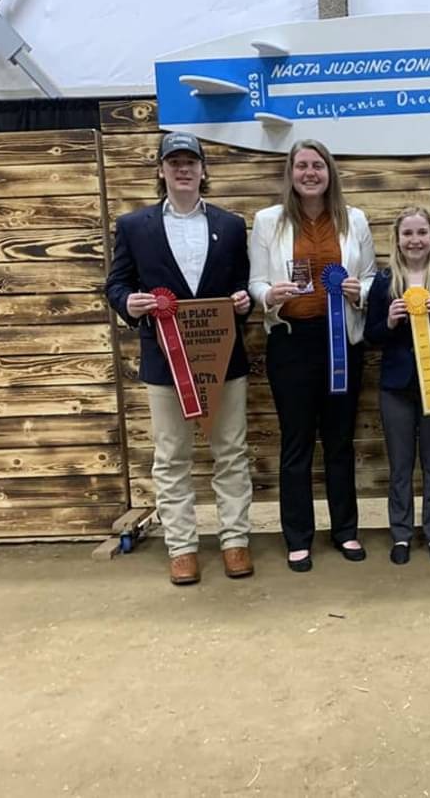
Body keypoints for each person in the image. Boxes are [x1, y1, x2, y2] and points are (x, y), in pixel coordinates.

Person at [106, 131, 254, 585]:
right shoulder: (133, 226)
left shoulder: (230, 225)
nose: (183, 169)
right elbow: (116, 284)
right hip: (163, 359)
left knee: (231, 451)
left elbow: (243, 285)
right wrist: (127, 303)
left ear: (204, 170)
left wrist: (244, 303)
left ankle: (234, 541)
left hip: (223, 355)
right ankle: (182, 547)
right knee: (171, 455)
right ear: (161, 170)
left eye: (191, 161)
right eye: (174, 162)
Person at [248, 139, 376, 572]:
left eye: (317, 166)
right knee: (296, 443)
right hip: (291, 342)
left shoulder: (354, 219)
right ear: (291, 172)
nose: (309, 173)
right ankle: (298, 537)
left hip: (342, 340)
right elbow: (254, 282)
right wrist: (269, 294)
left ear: (329, 172)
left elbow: (372, 275)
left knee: (339, 442)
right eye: (301, 165)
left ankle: (345, 530)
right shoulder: (268, 221)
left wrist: (362, 291)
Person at [365, 207, 430, 565]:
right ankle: (401, 535)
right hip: (395, 387)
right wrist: (390, 323)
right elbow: (370, 336)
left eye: (421, 233)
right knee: (400, 464)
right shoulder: (384, 281)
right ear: (397, 239)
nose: (415, 240)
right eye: (408, 234)